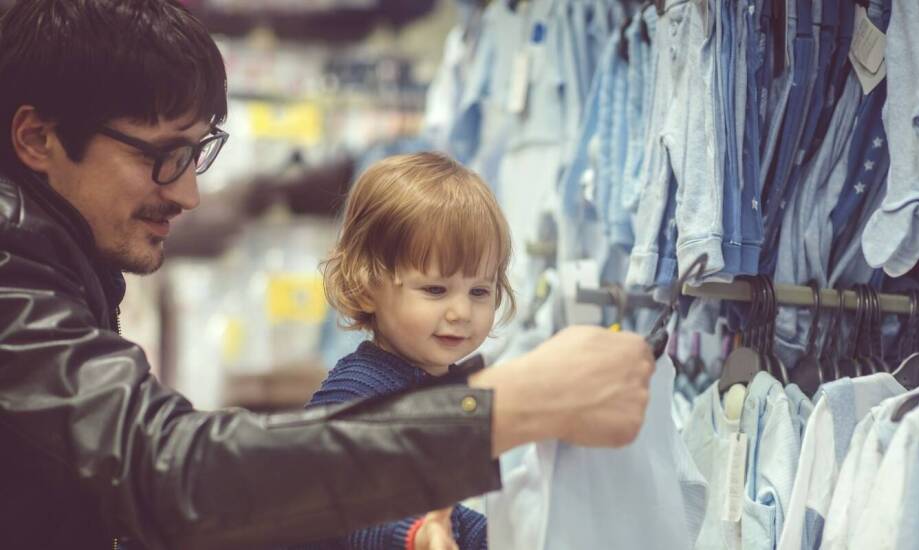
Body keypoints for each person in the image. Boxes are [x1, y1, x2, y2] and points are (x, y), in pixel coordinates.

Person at [0, 1, 655, 549]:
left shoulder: (56, 263)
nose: (190, 194)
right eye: (165, 157)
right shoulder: (12, 273)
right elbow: (166, 467)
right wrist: (510, 406)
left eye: (196, 154)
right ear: (38, 139)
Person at [302, 152, 513, 550]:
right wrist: (414, 533)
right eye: (435, 289)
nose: (461, 312)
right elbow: (344, 503)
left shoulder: (447, 391)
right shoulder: (355, 391)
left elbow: (449, 513)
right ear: (367, 285)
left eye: (479, 291)